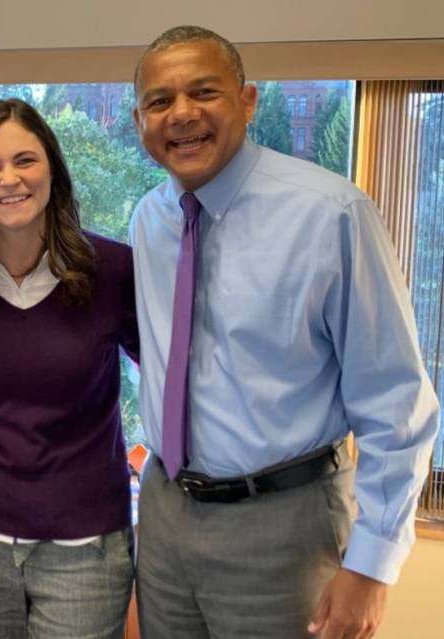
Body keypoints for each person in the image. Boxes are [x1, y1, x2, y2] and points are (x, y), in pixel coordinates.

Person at [129, 25, 440, 639]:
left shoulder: (330, 214)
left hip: (283, 524)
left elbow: (397, 403)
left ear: (247, 101)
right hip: (165, 514)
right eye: (161, 101)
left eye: (204, 93)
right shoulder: (151, 218)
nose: (182, 115)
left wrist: (372, 568)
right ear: (140, 119)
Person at [0, 99, 140, 639]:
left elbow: (177, 381)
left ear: (52, 168)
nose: (9, 180)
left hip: (85, 548)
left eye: (25, 160)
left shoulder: (114, 270)